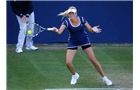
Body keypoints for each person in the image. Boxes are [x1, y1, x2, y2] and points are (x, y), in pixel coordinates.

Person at [52, 6, 113, 86]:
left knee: (94, 61)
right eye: (70, 13)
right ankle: (75, 75)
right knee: (68, 62)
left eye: (72, 13)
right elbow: (59, 32)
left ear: (76, 13)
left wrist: (93, 29)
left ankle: (104, 78)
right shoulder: (66, 22)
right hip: (73, 42)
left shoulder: (82, 19)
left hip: (84, 40)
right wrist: (56, 30)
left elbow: (90, 30)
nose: (71, 15)